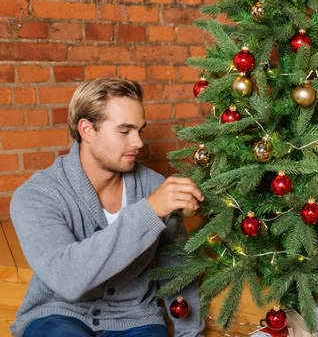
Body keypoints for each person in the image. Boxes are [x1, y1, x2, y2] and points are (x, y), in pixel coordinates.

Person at [10, 78, 205, 337]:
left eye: (140, 130)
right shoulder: (36, 196)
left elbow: (177, 272)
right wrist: (149, 211)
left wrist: (189, 333)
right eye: (125, 131)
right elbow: (67, 278)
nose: (138, 143)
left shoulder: (154, 187)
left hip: (136, 319)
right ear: (87, 130)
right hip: (58, 314)